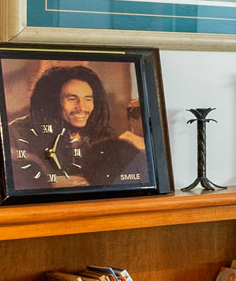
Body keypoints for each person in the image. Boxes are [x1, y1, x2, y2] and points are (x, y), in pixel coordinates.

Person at [9, 64, 146, 188]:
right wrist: (49, 183)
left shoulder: (101, 135)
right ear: (52, 101)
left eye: (88, 99)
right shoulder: (16, 133)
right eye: (72, 99)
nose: (82, 107)